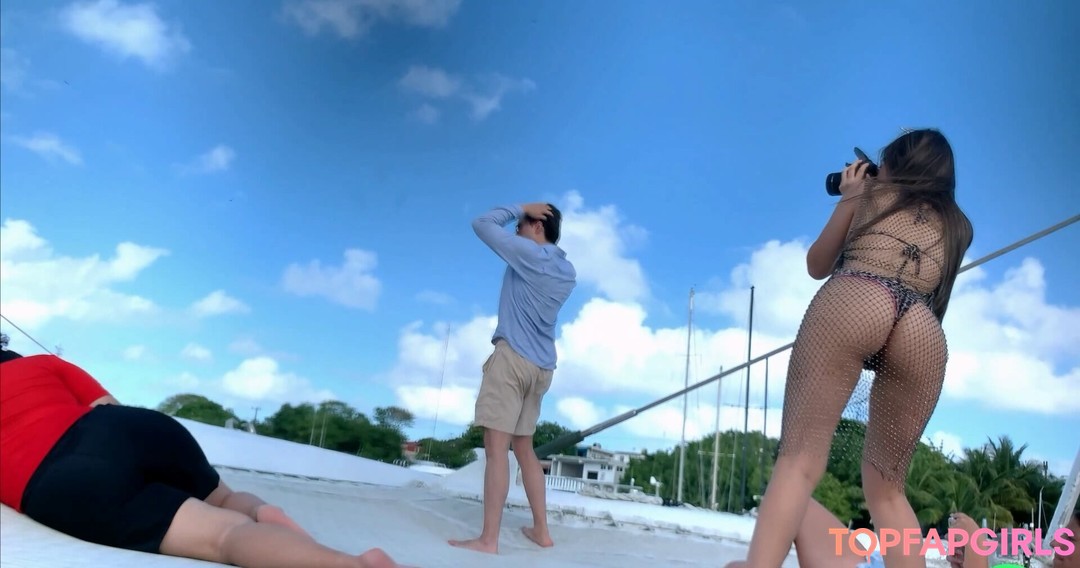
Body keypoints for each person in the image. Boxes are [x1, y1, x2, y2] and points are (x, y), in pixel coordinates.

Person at [739, 129, 974, 568]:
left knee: (798, 461)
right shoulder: (959, 224)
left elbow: (817, 264)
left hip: (859, 295)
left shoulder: (869, 192)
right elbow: (939, 297)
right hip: (922, 326)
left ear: (892, 165)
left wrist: (850, 196)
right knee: (888, 490)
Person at [0, 338, 410, 568]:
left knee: (225, 537)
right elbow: (107, 406)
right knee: (226, 501)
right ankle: (264, 511)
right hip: (126, 428)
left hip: (60, 474)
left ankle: (352, 565)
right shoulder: (42, 364)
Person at [447, 202, 577, 555]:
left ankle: (488, 540)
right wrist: (528, 215)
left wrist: (519, 207)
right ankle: (541, 531)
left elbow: (482, 223)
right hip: (542, 368)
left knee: (496, 449)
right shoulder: (566, 270)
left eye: (521, 223)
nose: (516, 228)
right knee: (524, 447)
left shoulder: (529, 254)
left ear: (538, 226)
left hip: (513, 361)